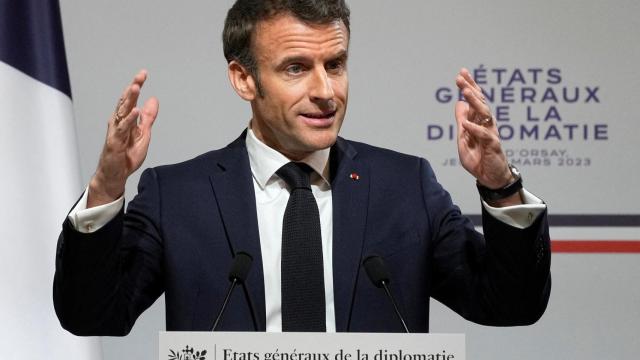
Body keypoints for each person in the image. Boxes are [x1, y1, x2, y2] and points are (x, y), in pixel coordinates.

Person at [54, 0, 550, 335]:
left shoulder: (405, 187)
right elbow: (93, 315)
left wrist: (500, 186)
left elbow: (511, 305)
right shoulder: (178, 195)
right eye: (297, 68)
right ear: (243, 79)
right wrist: (105, 187)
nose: (326, 91)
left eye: (335, 64)